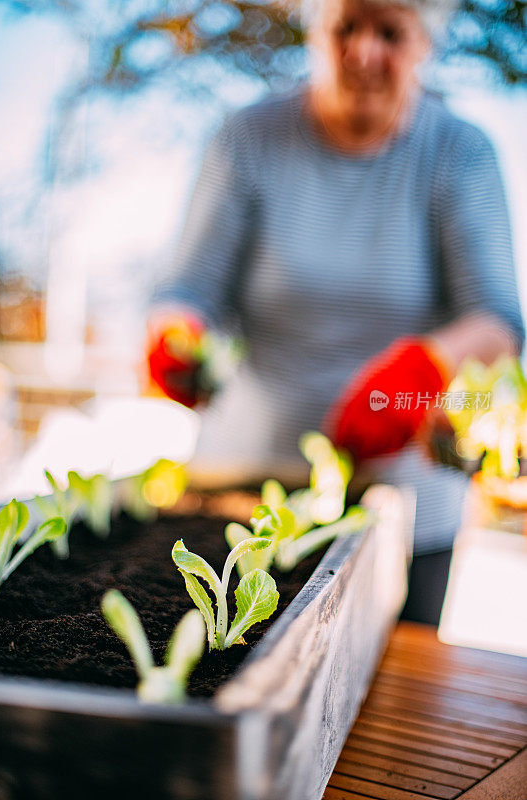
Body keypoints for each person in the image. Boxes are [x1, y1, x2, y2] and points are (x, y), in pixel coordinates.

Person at [147, 0, 525, 624]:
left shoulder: (461, 152)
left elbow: (498, 321)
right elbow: (189, 290)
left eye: (390, 32)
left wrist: (421, 373)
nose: (365, 51)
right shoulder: (248, 137)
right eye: (346, 26)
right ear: (314, 31)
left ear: (424, 43)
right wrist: (174, 338)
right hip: (246, 494)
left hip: (402, 502)